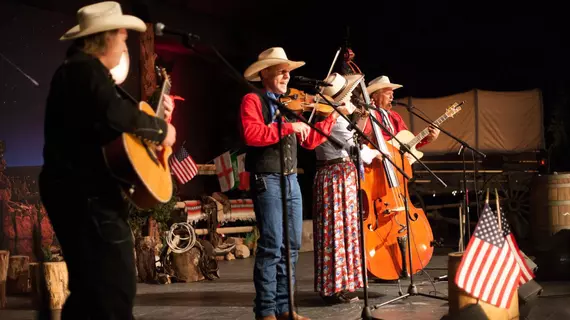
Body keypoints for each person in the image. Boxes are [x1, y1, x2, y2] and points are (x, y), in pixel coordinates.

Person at [39, 2, 176, 319]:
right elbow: (116, 115)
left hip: (81, 194)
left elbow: (113, 128)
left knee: (92, 291)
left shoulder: (82, 73)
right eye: (123, 37)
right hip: (87, 197)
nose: (124, 44)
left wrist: (154, 118)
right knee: (113, 289)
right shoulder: (83, 70)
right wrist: (160, 129)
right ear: (108, 38)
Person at [241, 47, 347, 320]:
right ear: (264, 73)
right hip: (267, 178)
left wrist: (331, 116)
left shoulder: (289, 104)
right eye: (281, 70)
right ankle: (266, 311)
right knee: (272, 246)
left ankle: (286, 308)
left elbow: (310, 141)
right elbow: (253, 135)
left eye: (289, 71)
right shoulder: (253, 100)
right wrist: (288, 127)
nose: (288, 76)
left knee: (292, 247)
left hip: (290, 179)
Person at [312, 72, 383, 304]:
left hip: (339, 175)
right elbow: (357, 151)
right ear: (339, 98)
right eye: (348, 94)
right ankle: (334, 287)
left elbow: (355, 136)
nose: (352, 97)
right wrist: (379, 153)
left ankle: (339, 285)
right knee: (336, 231)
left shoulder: (339, 119)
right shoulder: (334, 120)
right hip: (336, 177)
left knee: (343, 231)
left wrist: (362, 115)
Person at [364, 75, 440, 147]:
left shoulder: (395, 116)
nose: (392, 97)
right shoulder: (367, 114)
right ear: (375, 96)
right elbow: (366, 138)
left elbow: (408, 143)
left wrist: (427, 138)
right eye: (388, 94)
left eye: (392, 94)